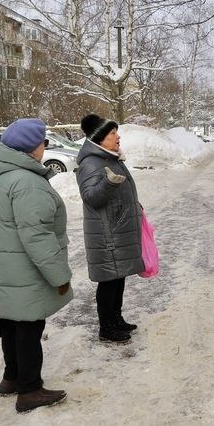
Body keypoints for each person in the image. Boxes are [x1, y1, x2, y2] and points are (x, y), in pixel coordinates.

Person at [0, 118, 72, 412]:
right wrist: (60, 276)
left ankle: (11, 377)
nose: (45, 148)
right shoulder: (27, 182)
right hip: (26, 271)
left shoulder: (1, 176)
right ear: (33, 147)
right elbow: (38, 237)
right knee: (29, 329)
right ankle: (30, 390)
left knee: (10, 324)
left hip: (6, 269)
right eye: (44, 142)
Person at [76, 114, 145, 343]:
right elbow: (91, 198)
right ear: (99, 138)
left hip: (117, 228)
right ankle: (106, 327)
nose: (118, 137)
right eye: (113, 133)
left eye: (116, 132)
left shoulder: (111, 159)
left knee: (119, 277)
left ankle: (117, 318)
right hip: (106, 233)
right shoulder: (90, 164)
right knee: (108, 282)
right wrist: (108, 183)